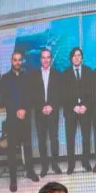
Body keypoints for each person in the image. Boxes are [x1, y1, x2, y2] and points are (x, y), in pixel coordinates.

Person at [0, 50, 39, 192]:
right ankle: (13, 180)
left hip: (25, 118)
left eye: (19, 60)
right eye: (15, 60)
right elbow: (4, 99)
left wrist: (24, 110)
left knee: (27, 147)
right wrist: (17, 111)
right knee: (11, 151)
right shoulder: (5, 78)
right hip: (12, 120)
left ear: (22, 61)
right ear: (11, 61)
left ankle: (30, 172)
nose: (17, 62)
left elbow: (30, 97)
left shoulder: (26, 77)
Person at [28, 48, 63, 177]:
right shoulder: (33, 75)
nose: (46, 60)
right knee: (42, 140)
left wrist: (52, 106)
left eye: (48, 57)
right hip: (39, 113)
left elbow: (60, 94)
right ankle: (44, 167)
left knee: (54, 139)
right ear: (40, 59)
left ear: (51, 58)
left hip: (53, 112)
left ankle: (55, 164)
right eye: (43, 57)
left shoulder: (57, 74)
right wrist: (42, 107)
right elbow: (32, 95)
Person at [63, 47, 95, 174]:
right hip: (71, 111)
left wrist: (85, 105)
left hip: (85, 110)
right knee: (70, 138)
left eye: (79, 55)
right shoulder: (65, 74)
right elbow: (63, 95)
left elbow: (93, 92)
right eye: (74, 55)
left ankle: (85, 162)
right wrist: (73, 106)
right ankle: (71, 164)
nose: (77, 57)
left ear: (82, 57)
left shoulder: (88, 71)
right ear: (71, 58)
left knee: (86, 137)